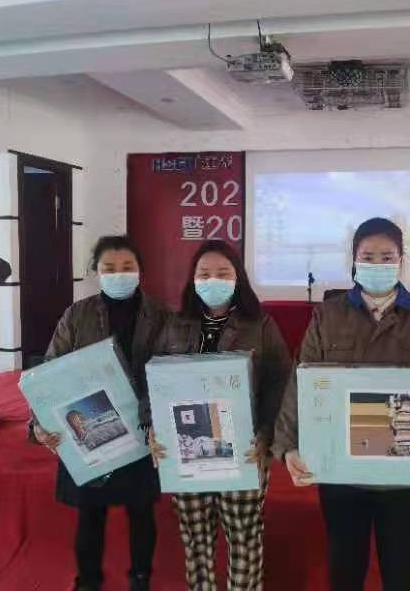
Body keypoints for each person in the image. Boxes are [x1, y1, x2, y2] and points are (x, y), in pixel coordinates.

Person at [272, 217, 410, 591]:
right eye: (368, 256)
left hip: (406, 472)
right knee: (345, 568)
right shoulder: (328, 315)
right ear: (354, 259)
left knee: (400, 570)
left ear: (402, 260)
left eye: (387, 257)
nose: (378, 264)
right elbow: (300, 380)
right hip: (342, 468)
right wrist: (288, 446)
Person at [149, 240, 291, 591]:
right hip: (187, 447)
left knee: (243, 534)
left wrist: (266, 435)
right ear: (193, 279)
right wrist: (152, 428)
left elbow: (280, 383)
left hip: (244, 447)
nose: (213, 280)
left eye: (223, 273)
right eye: (205, 273)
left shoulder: (260, 325)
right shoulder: (174, 324)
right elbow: (154, 381)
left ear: (238, 278)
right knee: (196, 537)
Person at [29, 236, 166, 591]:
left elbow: (171, 372)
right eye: (109, 268)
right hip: (90, 428)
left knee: (141, 511)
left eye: (127, 267)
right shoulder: (77, 315)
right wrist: (39, 422)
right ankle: (88, 582)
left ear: (140, 271)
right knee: (90, 513)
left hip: (144, 428)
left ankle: (140, 579)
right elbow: (49, 371)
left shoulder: (162, 316)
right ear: (96, 272)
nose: (119, 274)